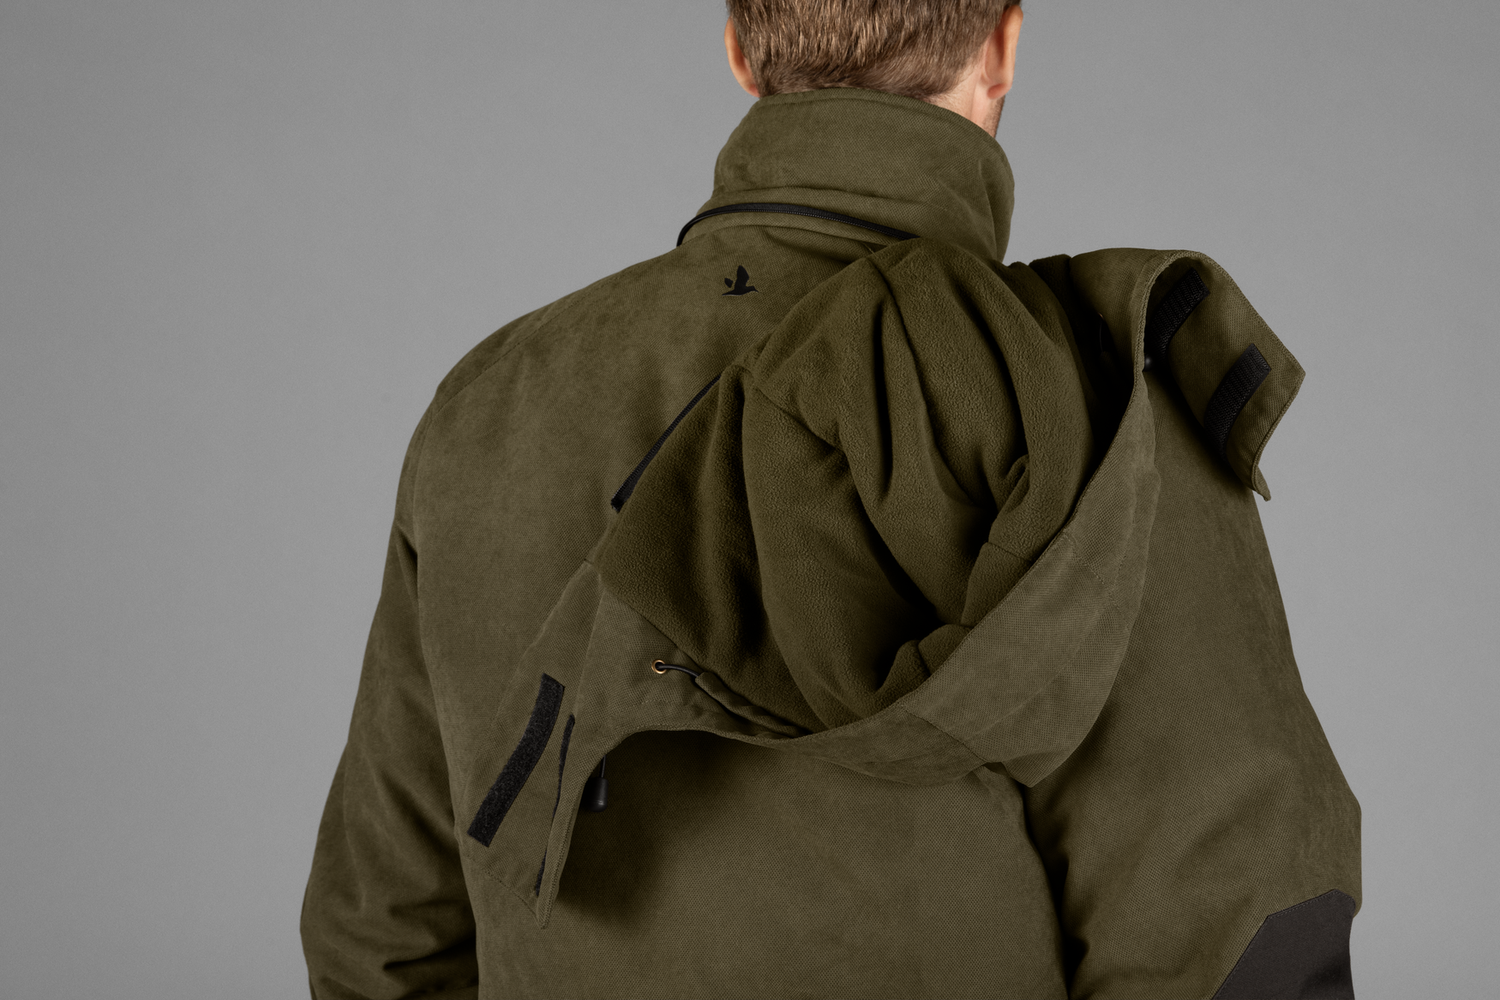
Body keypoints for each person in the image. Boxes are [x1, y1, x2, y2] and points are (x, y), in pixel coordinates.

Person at [302, 2, 1361, 997]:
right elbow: (1238, 925)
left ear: (741, 49)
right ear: (1000, 46)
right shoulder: (1087, 405)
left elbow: (384, 932)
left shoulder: (490, 405)